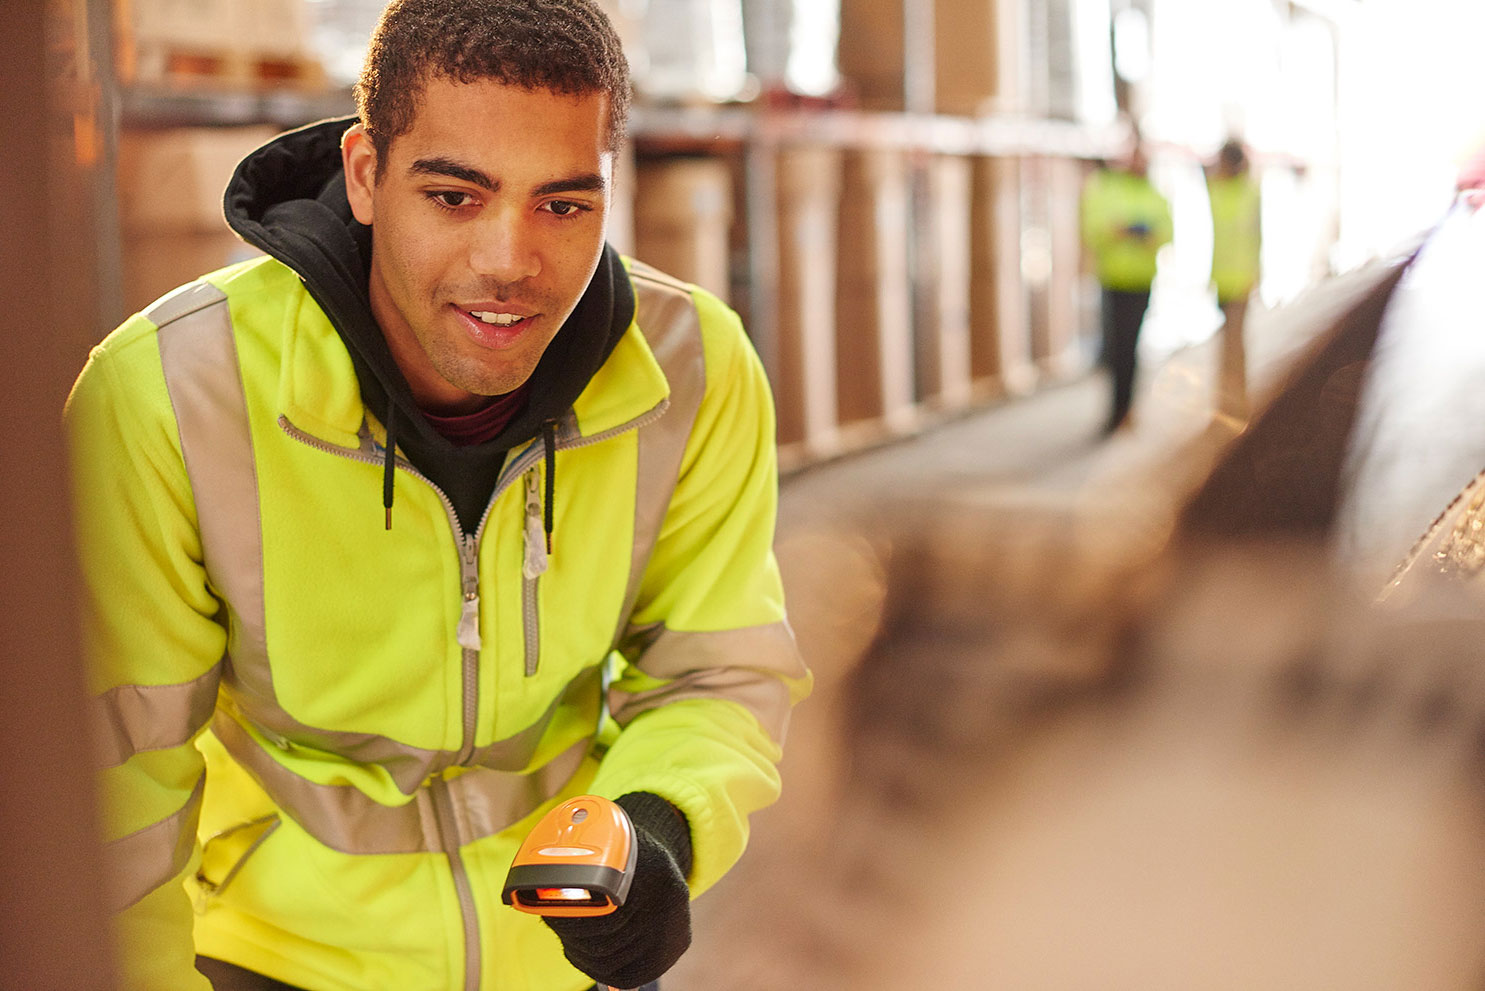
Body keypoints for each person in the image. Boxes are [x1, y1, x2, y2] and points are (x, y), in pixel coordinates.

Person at [63, 1, 810, 989]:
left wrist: (657, 823)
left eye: (564, 204)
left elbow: (719, 673)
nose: (509, 261)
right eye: (457, 197)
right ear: (366, 175)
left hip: (562, 954)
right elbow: (112, 786)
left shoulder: (693, 369)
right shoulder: (170, 396)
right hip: (273, 957)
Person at [1080, 133, 1173, 435]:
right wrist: (1120, 231)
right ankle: (1116, 410)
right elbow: (1094, 228)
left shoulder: (1155, 194)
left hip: (1141, 281)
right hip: (1114, 280)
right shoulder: (1108, 190)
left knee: (1131, 348)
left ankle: (1127, 409)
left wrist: (1143, 233)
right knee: (1115, 349)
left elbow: (1166, 233)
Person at [1205, 137, 1262, 423]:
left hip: (1240, 281)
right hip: (1221, 280)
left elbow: (1257, 238)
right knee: (1225, 345)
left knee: (1234, 346)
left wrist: (1257, 277)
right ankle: (1226, 402)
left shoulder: (1250, 193)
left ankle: (1235, 402)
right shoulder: (1215, 190)